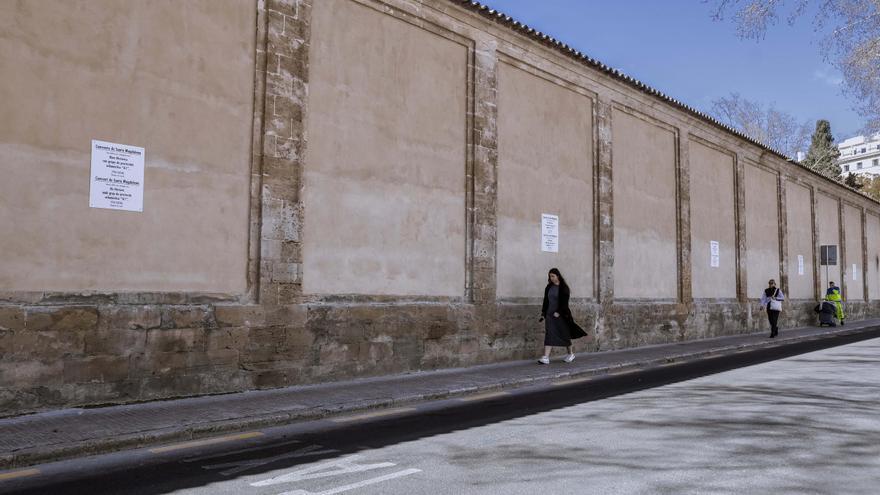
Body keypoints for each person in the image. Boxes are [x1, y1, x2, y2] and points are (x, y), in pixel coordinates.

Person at [538, 268, 587, 364]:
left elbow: (564, 303)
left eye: (553, 276)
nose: (551, 278)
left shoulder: (564, 288)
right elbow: (546, 301)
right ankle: (546, 357)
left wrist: (559, 312)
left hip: (561, 315)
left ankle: (570, 354)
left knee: (565, 335)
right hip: (550, 315)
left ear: (558, 276)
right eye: (550, 276)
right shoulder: (549, 287)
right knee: (549, 334)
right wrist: (543, 313)